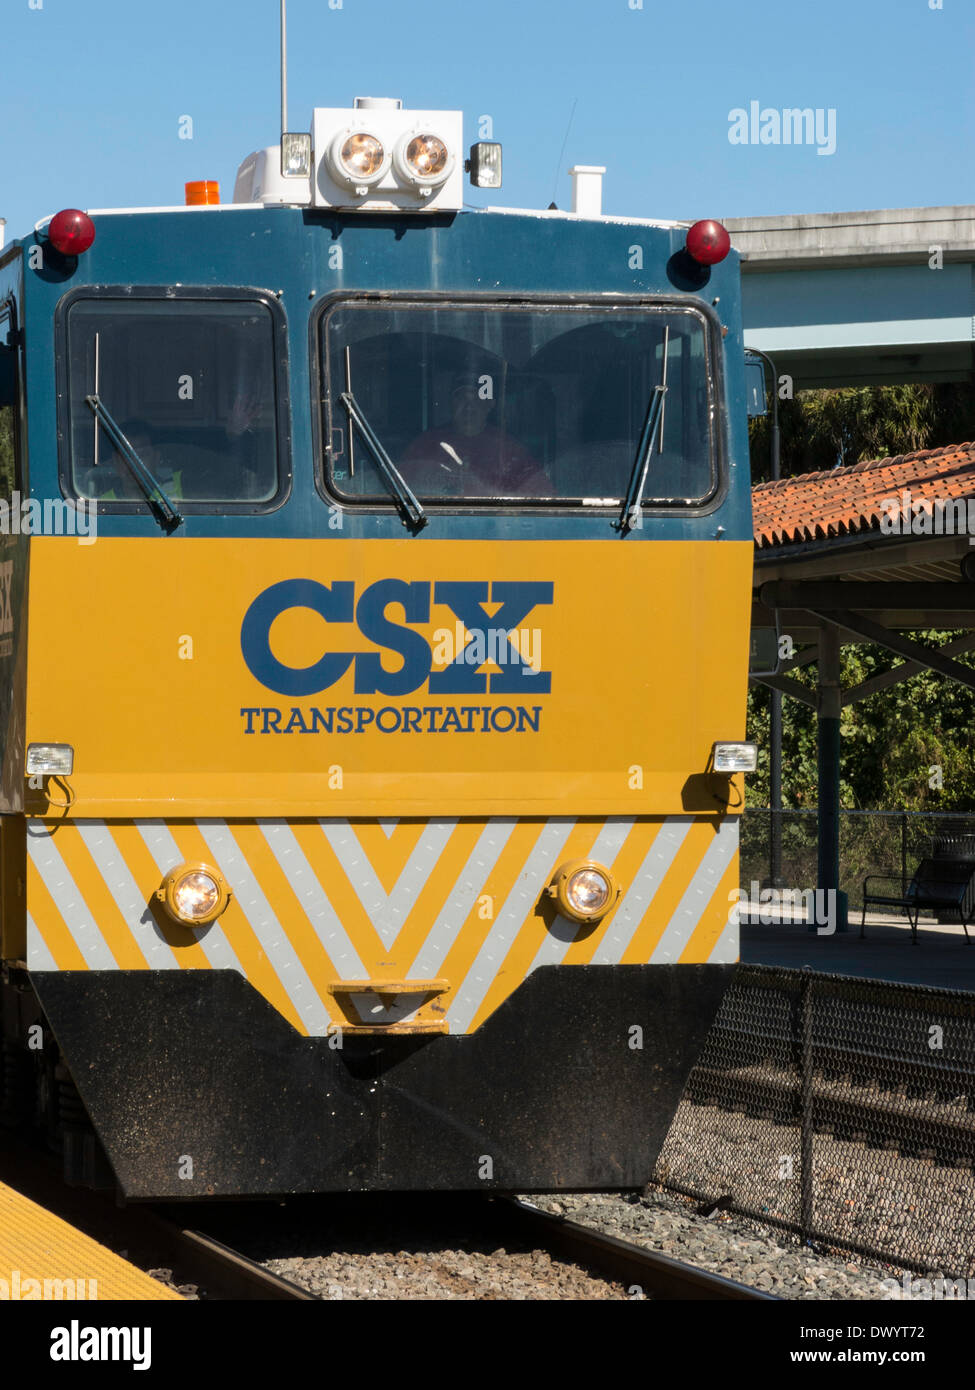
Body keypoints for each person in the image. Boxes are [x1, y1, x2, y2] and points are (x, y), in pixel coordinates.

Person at [402, 380, 549, 497]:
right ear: (451, 404)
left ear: (490, 404)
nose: (469, 408)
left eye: (477, 399)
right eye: (461, 399)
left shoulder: (509, 449)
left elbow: (542, 495)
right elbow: (397, 490)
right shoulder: (426, 445)